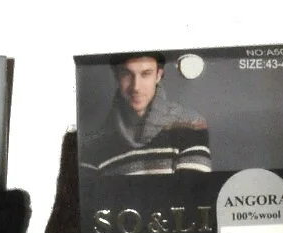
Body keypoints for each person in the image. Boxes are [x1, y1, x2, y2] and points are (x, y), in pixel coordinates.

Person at [79, 53, 211, 177]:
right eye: (127, 74)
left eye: (146, 74)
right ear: (116, 75)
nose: (136, 87)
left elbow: (194, 192)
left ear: (158, 75)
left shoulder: (191, 125)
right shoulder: (92, 145)